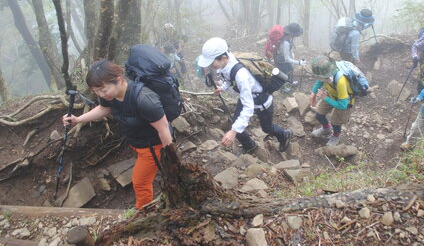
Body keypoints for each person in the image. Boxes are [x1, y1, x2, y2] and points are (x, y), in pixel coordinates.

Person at [62, 60, 173, 210]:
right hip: (137, 143)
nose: (101, 94)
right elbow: (104, 109)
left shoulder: (144, 99)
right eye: (96, 91)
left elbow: (164, 129)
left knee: (140, 182)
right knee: (143, 178)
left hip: (153, 146)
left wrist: (171, 160)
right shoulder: (110, 95)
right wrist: (77, 120)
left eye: (103, 90)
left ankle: (144, 211)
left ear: (119, 80)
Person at [197, 37, 293, 154]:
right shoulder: (227, 62)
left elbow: (248, 107)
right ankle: (250, 146)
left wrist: (233, 132)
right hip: (246, 97)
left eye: (211, 63)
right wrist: (222, 88)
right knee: (235, 124)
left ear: (223, 57)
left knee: (266, 128)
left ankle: (285, 135)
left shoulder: (242, 76)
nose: (210, 66)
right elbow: (229, 79)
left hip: (262, 102)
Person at [309, 56, 354, 146]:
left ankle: (336, 136)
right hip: (331, 94)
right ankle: (326, 128)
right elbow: (320, 80)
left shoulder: (341, 82)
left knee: (336, 122)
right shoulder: (327, 73)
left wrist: (325, 98)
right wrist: (313, 93)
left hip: (345, 101)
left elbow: (342, 105)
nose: (320, 79)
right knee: (319, 114)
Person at [274, 23, 306, 92]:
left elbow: (290, 52)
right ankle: (283, 88)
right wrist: (299, 63)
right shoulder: (286, 43)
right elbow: (287, 59)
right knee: (284, 74)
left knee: (290, 70)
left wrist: (293, 56)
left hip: (285, 60)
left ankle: (290, 82)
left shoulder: (289, 38)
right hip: (281, 61)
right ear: (291, 34)